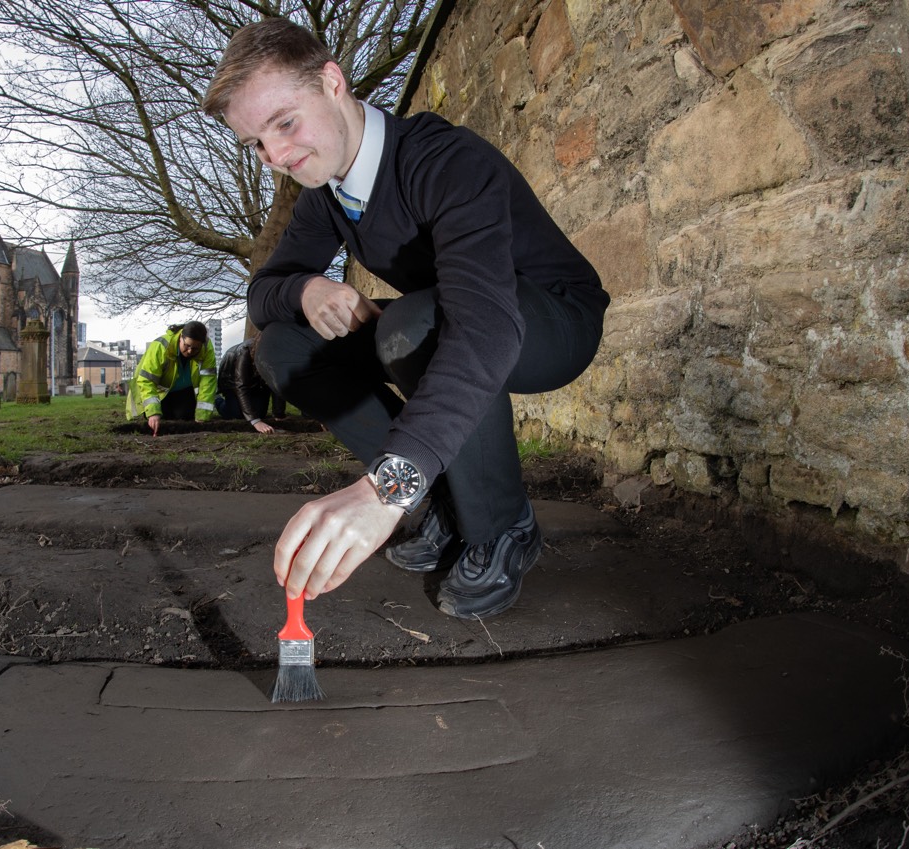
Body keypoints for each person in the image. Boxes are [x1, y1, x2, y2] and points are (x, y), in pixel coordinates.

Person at [202, 18, 610, 620]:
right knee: (282, 349)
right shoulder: (326, 196)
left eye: (285, 124)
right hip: (448, 316)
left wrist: (382, 491)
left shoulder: (445, 160)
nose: (278, 157)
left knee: (409, 327)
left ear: (332, 82)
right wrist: (308, 287)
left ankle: (502, 526)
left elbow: (485, 326)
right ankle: (447, 492)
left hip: (550, 318)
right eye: (256, 144)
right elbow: (263, 291)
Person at [129, 320, 218, 435]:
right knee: (162, 416)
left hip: (184, 391)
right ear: (181, 337)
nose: (190, 351)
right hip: (159, 392)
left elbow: (208, 381)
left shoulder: (207, 347)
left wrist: (202, 417)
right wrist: (153, 412)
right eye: (187, 346)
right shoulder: (160, 346)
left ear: (202, 344)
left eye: (195, 348)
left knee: (185, 416)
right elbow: (147, 381)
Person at [216, 338, 287, 433]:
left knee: (260, 413)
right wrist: (255, 421)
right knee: (236, 413)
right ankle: (217, 400)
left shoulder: (279, 354)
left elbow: (277, 383)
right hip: (232, 382)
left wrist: (279, 414)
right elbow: (241, 386)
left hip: (258, 384)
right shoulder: (244, 352)